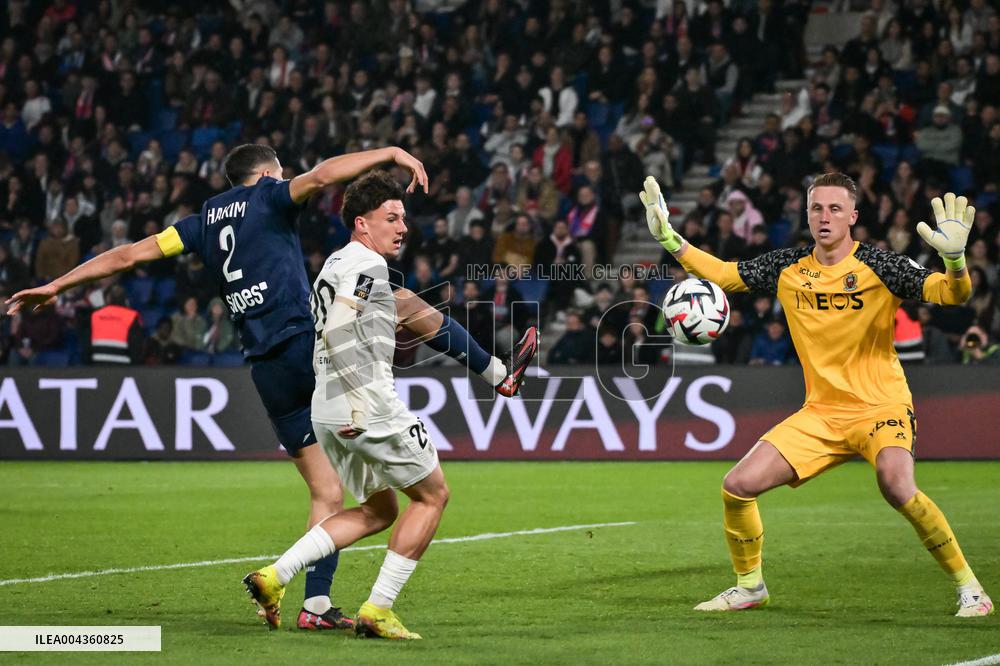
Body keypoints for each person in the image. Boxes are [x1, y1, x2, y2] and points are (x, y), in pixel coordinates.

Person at [6, 145, 529, 632]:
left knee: (327, 490)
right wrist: (391, 152)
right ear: (268, 172)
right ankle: (496, 372)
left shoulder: (199, 224)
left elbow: (126, 257)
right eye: (281, 173)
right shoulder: (269, 195)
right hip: (306, 343)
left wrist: (56, 285)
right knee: (406, 305)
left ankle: (315, 605)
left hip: (266, 369)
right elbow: (324, 176)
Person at [641, 173, 993, 617]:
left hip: (880, 406)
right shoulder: (787, 266)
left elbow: (951, 294)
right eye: (816, 209)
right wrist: (670, 239)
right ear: (807, 215)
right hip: (822, 414)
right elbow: (726, 276)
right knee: (737, 486)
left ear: (853, 216)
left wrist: (956, 262)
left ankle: (971, 589)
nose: (825, 217)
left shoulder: (882, 266)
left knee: (897, 485)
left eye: (834, 209)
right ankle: (749, 586)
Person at [241, 170, 540, 639]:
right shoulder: (366, 267)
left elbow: (360, 315)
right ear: (363, 223)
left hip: (326, 410)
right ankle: (377, 609)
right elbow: (342, 325)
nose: (403, 227)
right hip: (366, 406)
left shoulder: (338, 263)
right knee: (433, 496)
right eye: (392, 217)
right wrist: (360, 396)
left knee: (378, 512)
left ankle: (275, 576)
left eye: (404, 217)